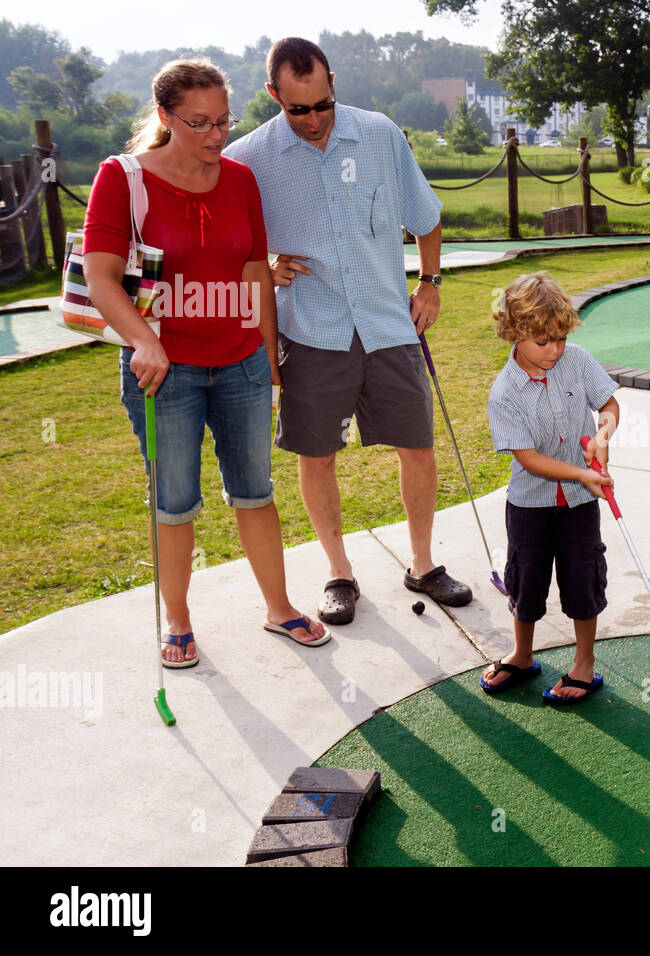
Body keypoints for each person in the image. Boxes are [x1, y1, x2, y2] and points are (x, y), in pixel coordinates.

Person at [82, 58, 331, 668]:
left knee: (255, 493)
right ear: (165, 117)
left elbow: (252, 272)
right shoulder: (123, 178)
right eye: (200, 123)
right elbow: (101, 275)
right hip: (165, 371)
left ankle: (279, 608)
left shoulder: (241, 180)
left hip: (241, 362)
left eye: (225, 121)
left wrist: (268, 355)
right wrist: (143, 338)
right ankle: (179, 620)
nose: (217, 135)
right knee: (173, 501)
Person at [225, 38, 470, 626]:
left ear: (333, 83)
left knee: (418, 446)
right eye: (297, 109)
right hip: (312, 329)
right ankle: (339, 573)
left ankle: (422, 563)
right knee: (317, 455)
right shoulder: (247, 158)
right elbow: (223, 244)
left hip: (389, 323)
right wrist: (263, 262)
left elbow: (427, 217)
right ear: (273, 96)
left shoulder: (381, 134)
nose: (313, 120)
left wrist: (430, 282)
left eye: (323, 104)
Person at [483, 273, 620, 703]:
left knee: (582, 578)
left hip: (580, 506)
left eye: (560, 338)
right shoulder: (505, 392)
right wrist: (581, 473)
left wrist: (602, 437)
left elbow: (610, 404)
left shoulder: (576, 360)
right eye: (543, 341)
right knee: (526, 581)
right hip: (529, 506)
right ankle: (523, 654)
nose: (555, 349)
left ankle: (584, 663)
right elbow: (529, 459)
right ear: (514, 332)